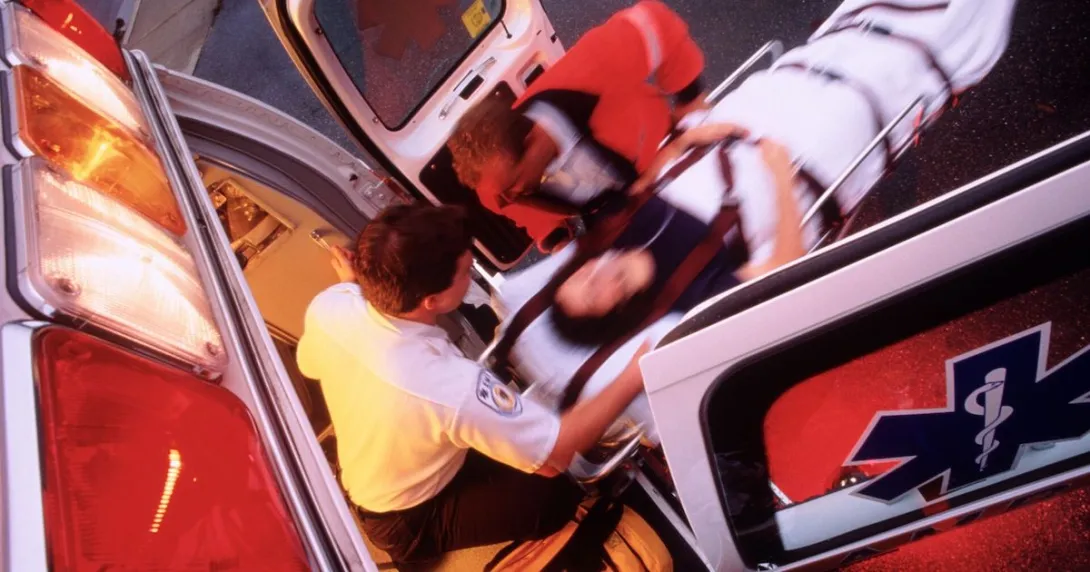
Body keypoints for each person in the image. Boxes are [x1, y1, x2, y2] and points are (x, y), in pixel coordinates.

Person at [295, 203, 654, 566]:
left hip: (383, 461)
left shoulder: (331, 306)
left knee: (497, 446)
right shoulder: (450, 386)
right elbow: (555, 455)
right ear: (431, 300)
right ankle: (421, 548)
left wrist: (351, 284)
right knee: (554, 499)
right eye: (466, 273)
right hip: (405, 515)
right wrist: (635, 372)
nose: (471, 279)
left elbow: (309, 365)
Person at [448, 0, 710, 252]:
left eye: (514, 183)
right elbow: (507, 203)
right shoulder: (495, 183)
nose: (514, 193)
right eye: (506, 191)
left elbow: (654, 22)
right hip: (612, 214)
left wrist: (688, 98)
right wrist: (553, 235)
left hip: (668, 155)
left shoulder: (590, 72)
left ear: (531, 142)